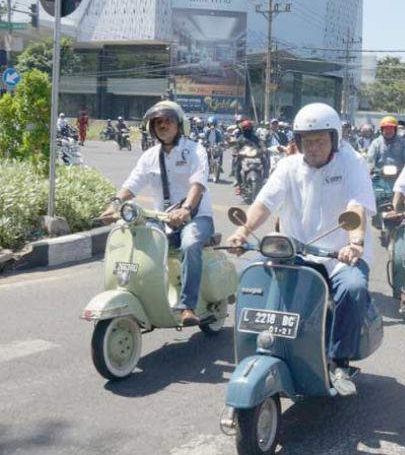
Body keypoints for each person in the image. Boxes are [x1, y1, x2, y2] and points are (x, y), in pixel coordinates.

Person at [226, 103, 377, 396]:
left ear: (335, 138)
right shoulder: (288, 166)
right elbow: (265, 203)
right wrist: (242, 231)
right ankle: (256, 347)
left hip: (338, 256)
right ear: (297, 141)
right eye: (306, 140)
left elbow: (356, 206)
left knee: (353, 287)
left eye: (320, 139)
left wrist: (355, 243)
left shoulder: (352, 162)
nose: (313, 146)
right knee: (251, 275)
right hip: (294, 252)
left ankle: (339, 361)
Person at [97, 101, 213, 326]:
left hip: (196, 217)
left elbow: (197, 184)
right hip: (163, 220)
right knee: (140, 245)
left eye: (168, 120)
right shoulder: (149, 155)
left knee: (190, 244)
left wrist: (186, 209)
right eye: (158, 122)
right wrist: (114, 205)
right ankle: (146, 295)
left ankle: (187, 306)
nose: (163, 125)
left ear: (180, 125)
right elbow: (132, 184)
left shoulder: (194, 150)